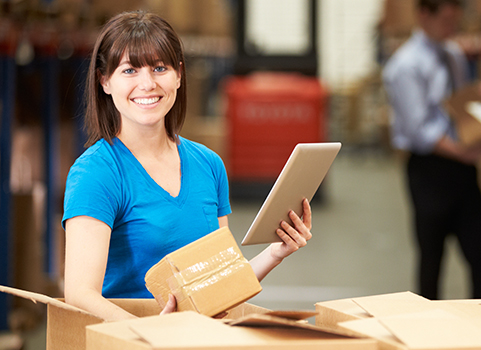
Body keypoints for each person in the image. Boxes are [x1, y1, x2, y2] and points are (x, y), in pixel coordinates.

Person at [62, 11, 313, 321]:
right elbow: (79, 293)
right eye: (129, 70)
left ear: (178, 75)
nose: (148, 84)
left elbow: (223, 281)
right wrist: (152, 332)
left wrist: (275, 252)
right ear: (105, 81)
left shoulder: (208, 164)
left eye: (159, 68)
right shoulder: (96, 174)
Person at [382, 0, 481, 300]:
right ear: (424, 15)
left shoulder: (454, 55)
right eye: (446, 21)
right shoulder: (406, 65)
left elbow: (455, 107)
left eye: (455, 21)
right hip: (429, 168)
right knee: (432, 256)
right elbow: (419, 129)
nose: (452, 28)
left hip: (462, 164)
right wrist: (462, 152)